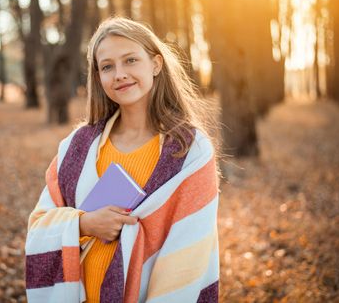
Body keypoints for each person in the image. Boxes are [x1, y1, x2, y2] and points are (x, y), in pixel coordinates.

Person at [24, 17, 220, 303]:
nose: (119, 74)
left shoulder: (190, 151)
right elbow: (39, 223)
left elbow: (191, 254)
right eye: (107, 66)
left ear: (155, 64)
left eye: (130, 60)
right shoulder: (78, 146)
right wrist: (84, 224)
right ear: (98, 76)